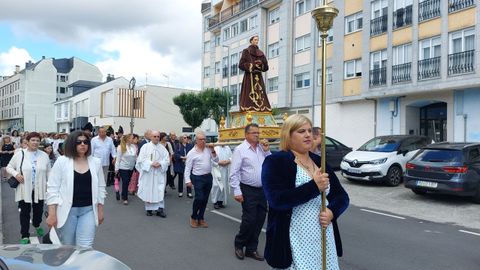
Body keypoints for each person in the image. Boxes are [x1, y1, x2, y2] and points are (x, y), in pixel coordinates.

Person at [262, 114, 350, 269]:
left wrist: (332, 212)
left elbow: (341, 196)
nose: (308, 134)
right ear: (288, 135)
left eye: (309, 130)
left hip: (323, 235)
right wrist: (314, 187)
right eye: (301, 131)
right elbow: (276, 200)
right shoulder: (276, 161)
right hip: (294, 237)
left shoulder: (319, 162)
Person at [46, 130, 106, 248]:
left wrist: (100, 211)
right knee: (68, 246)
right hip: (67, 211)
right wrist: (52, 213)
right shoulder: (62, 161)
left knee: (85, 247)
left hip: (88, 210)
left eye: (85, 142)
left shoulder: (95, 162)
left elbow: (101, 187)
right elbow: (53, 188)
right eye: (79, 142)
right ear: (72, 144)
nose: (83, 144)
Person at [230, 123, 270, 261]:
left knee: (260, 219)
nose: (257, 135)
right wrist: (237, 191)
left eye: (258, 133)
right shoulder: (240, 150)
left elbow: (270, 163)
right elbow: (234, 172)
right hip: (248, 190)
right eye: (254, 133)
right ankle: (239, 244)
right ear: (246, 134)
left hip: (262, 190)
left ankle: (251, 249)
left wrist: (266, 151)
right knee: (249, 219)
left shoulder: (261, 148)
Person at [7, 132, 51, 244]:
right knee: (25, 212)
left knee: (38, 211)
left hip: (39, 189)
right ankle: (25, 234)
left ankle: (36, 224)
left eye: (37, 140)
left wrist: (49, 187)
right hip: (24, 188)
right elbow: (9, 167)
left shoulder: (44, 155)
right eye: (33, 140)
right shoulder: (20, 154)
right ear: (27, 141)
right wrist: (16, 174)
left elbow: (49, 173)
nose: (35, 142)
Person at [184, 130, 218, 228]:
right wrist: (188, 181)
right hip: (197, 177)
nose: (203, 141)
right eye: (201, 139)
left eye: (204, 139)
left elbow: (216, 160)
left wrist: (213, 150)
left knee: (205, 199)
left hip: (208, 177)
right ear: (196, 141)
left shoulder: (208, 149)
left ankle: (201, 218)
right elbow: (188, 168)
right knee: (199, 198)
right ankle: (193, 217)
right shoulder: (192, 153)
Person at [135, 130, 170, 217]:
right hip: (149, 173)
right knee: (149, 190)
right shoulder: (145, 147)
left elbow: (167, 160)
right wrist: (150, 163)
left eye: (158, 136)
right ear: (151, 137)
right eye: (154, 136)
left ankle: (160, 209)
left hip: (159, 173)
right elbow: (140, 160)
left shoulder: (163, 148)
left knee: (159, 190)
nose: (156, 138)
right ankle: (149, 209)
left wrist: (161, 164)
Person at [238, 35, 271, 112]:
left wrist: (261, 65)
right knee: (249, 92)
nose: (256, 41)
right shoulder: (246, 51)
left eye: (257, 40)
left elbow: (266, 67)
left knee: (260, 92)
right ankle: (249, 107)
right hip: (249, 76)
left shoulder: (261, 53)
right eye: (255, 40)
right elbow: (241, 65)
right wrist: (251, 65)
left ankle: (261, 108)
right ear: (251, 41)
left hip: (258, 77)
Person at [114, 134, 137, 205]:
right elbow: (118, 159)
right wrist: (116, 169)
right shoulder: (120, 147)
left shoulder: (133, 146)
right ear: (127, 139)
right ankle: (125, 198)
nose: (133, 139)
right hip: (123, 167)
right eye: (132, 138)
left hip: (131, 167)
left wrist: (137, 166)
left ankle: (123, 193)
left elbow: (135, 157)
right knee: (125, 181)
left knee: (127, 181)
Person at [211, 143, 232, 209]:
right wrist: (218, 163)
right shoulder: (215, 147)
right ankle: (215, 201)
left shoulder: (227, 147)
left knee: (224, 185)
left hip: (225, 169)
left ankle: (220, 201)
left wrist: (228, 161)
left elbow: (231, 156)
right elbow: (211, 159)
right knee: (217, 185)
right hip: (217, 169)